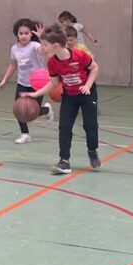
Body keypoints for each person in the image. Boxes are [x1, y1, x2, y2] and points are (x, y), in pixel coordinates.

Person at [36, 26, 99, 175]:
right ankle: (64, 161)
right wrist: (35, 94)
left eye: (45, 45)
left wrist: (87, 86)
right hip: (69, 96)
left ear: (55, 46)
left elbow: (95, 68)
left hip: (87, 94)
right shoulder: (52, 62)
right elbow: (54, 83)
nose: (42, 48)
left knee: (90, 126)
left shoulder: (79, 55)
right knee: (64, 127)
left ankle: (92, 150)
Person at [0, 18, 50, 143]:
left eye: (26, 33)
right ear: (17, 34)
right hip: (22, 83)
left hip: (38, 83)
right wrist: (4, 80)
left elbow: (44, 51)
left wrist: (42, 38)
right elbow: (13, 65)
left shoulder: (35, 46)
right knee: (19, 110)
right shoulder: (14, 49)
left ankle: (47, 110)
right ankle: (25, 134)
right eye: (21, 33)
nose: (23, 36)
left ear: (31, 34)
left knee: (33, 111)